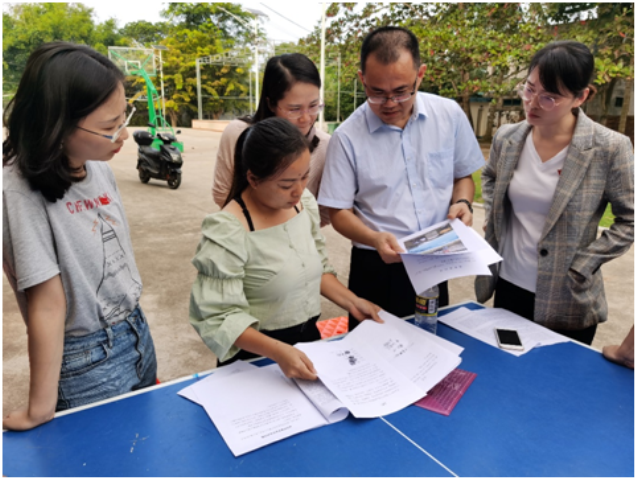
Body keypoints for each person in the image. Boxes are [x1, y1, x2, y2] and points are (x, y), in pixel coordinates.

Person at [2, 42, 157, 431]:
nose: (123, 134)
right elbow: (47, 304)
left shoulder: (97, 166)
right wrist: (40, 408)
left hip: (136, 330)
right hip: (87, 360)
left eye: (123, 118)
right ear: (56, 124)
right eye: (109, 127)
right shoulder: (17, 190)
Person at [317, 26, 485, 328]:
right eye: (377, 93)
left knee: (433, 340)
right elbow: (338, 212)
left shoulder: (448, 115)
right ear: (362, 79)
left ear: (420, 75)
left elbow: (463, 176)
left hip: (435, 258)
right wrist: (373, 238)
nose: (390, 103)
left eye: (401, 92)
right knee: (373, 348)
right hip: (376, 264)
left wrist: (463, 202)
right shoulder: (347, 136)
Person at [190, 117, 381, 380]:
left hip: (307, 343)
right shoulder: (228, 230)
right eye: (286, 184)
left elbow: (318, 269)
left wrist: (353, 302)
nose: (298, 190)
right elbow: (219, 317)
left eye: (304, 176)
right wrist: (278, 352)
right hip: (254, 359)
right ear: (253, 178)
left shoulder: (304, 204)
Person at [475, 41, 634, 345]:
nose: (533, 103)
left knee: (557, 374)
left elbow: (630, 220)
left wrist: (583, 265)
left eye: (549, 97)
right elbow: (491, 175)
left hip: (567, 296)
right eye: (529, 89)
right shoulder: (507, 138)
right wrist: (495, 214)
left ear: (580, 96)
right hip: (508, 284)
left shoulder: (609, 148)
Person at [213, 53, 331, 226]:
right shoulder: (238, 134)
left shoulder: (325, 145)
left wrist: (293, 232)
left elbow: (325, 211)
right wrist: (259, 228)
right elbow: (222, 192)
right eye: (294, 109)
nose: (306, 118)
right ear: (271, 104)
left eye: (314, 106)